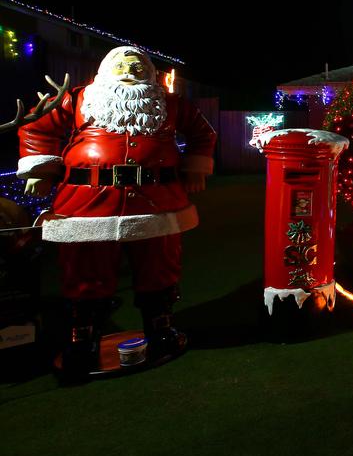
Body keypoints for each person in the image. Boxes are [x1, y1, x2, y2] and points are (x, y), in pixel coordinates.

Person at [16, 46, 216, 378]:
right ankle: (84, 339)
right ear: (106, 69)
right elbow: (38, 127)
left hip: (156, 200)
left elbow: (202, 132)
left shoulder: (170, 104)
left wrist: (196, 168)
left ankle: (160, 328)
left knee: (159, 265)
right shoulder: (79, 98)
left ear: (150, 72)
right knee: (84, 270)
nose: (130, 70)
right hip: (87, 201)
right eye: (122, 64)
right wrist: (41, 168)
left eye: (138, 65)